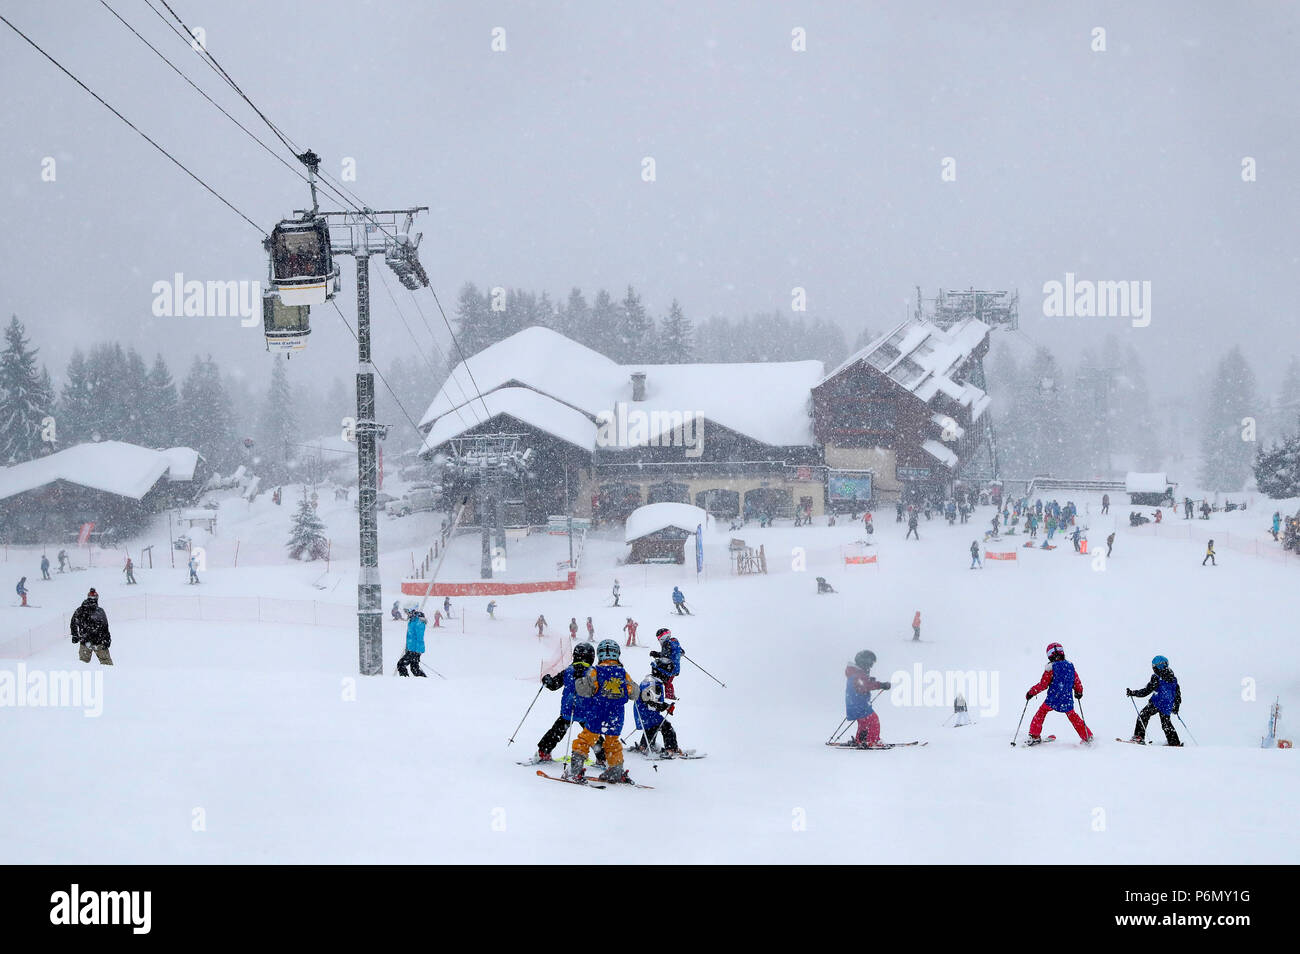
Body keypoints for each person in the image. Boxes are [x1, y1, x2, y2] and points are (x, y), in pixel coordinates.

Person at [566, 640, 637, 784]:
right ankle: (615, 770)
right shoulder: (623, 673)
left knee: (586, 739)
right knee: (612, 742)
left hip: (597, 712)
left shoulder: (595, 671)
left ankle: (576, 768)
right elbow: (634, 693)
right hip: (616, 716)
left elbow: (584, 690)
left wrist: (579, 679)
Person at [535, 642, 596, 763]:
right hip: (586, 711)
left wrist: (547, 680)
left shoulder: (568, 671)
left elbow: (553, 685)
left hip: (569, 708)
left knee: (557, 731)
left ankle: (543, 751)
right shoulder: (594, 672)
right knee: (592, 734)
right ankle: (602, 757)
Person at [1024, 642, 1092, 743]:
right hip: (1066, 700)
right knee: (1074, 717)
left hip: (1052, 699)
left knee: (1041, 713)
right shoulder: (1070, 666)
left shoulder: (1051, 668)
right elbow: (1076, 681)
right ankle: (1087, 736)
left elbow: (1043, 685)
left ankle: (1034, 736)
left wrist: (1031, 692)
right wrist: (1078, 691)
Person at [1126, 655, 1182, 745]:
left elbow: (1146, 691)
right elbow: (1177, 694)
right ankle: (1174, 742)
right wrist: (1176, 706)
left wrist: (1133, 693)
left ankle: (1138, 737)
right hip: (1167, 705)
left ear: (1156, 666)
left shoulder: (1157, 677)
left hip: (1157, 702)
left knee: (1143, 715)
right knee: (1166, 724)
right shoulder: (1173, 679)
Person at [845, 650, 891, 748]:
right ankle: (872, 741)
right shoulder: (857, 675)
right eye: (869, 664)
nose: (870, 667)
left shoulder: (855, 673)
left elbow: (863, 684)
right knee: (874, 721)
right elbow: (865, 686)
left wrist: (870, 681)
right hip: (860, 705)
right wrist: (881, 685)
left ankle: (861, 740)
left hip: (854, 705)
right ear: (864, 662)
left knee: (864, 723)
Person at [632, 670, 683, 757]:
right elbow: (651, 703)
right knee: (667, 727)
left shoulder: (650, 680)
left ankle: (645, 746)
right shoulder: (654, 684)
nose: (668, 679)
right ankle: (671, 749)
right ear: (663, 674)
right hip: (647, 713)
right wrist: (666, 707)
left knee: (652, 727)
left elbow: (650, 701)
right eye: (668, 676)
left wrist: (665, 706)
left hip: (642, 711)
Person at [70, 588, 113, 665]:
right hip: (98, 641)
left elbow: (73, 623)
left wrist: (75, 635)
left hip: (87, 641)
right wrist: (107, 639)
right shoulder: (98, 611)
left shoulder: (81, 610)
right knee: (106, 663)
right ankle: (109, 675)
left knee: (83, 664)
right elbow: (105, 626)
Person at [650, 627, 683, 699]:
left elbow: (664, 657)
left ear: (663, 637)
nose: (658, 639)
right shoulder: (674, 641)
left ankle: (669, 697)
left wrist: (656, 655)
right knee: (668, 682)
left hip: (670, 668)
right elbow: (682, 652)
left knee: (666, 682)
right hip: (675, 668)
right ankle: (670, 696)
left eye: (659, 637)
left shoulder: (666, 644)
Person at [396, 609, 427, 677]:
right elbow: (410, 637)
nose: (407, 614)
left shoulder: (418, 622)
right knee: (414, 668)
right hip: (412, 649)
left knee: (401, 664)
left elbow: (419, 638)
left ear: (413, 611)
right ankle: (425, 682)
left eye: (408, 612)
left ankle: (405, 681)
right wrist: (408, 648)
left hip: (415, 650)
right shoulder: (412, 621)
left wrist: (417, 652)